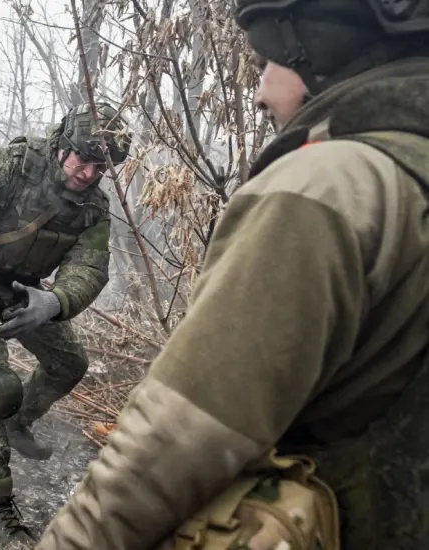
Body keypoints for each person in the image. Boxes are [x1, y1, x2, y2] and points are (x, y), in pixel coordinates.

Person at [33, 0, 429, 548]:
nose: (260, 91)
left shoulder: (327, 184)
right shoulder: (412, 166)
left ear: (319, 51)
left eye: (267, 63)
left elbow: (182, 433)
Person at [0, 102, 131, 547]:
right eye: (83, 159)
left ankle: (17, 422)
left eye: (100, 167)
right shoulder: (15, 165)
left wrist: (54, 301)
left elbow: (90, 268)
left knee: (69, 363)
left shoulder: (93, 209)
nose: (89, 174)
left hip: (20, 290)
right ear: (61, 147)